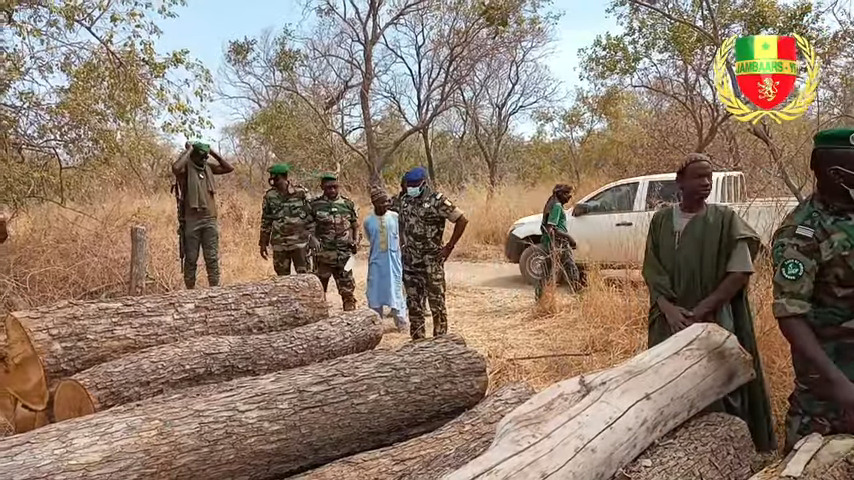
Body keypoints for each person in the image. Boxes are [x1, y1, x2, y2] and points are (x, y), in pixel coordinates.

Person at [642, 153, 776, 453]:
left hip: (714, 318)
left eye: (709, 177)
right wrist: (668, 309)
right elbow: (652, 268)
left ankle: (726, 449)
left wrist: (702, 311)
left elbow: (740, 271)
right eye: (698, 177)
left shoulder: (725, 219)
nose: (706, 183)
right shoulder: (662, 219)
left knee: (720, 386)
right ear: (680, 182)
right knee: (669, 383)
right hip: (669, 320)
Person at [772, 128, 854, 453]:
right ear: (837, 174)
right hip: (830, 386)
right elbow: (790, 314)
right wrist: (839, 386)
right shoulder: (803, 233)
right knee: (811, 461)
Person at [399, 166, 468, 340]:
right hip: (410, 263)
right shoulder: (405, 200)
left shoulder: (437, 201)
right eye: (409, 184)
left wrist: (449, 247)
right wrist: (402, 243)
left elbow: (462, 220)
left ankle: (440, 343)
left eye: (414, 184)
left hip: (432, 261)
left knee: (437, 304)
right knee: (414, 305)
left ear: (423, 183)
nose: (411, 187)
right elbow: (399, 220)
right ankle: (418, 342)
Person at [172, 141, 234, 289]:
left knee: (211, 258)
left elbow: (229, 168)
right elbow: (175, 168)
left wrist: (211, 151)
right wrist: (189, 150)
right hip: (192, 221)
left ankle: (215, 290)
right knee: (191, 259)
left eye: (205, 157)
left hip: (209, 220)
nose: (203, 160)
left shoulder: (208, 168)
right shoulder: (186, 169)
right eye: (200, 157)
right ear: (193, 156)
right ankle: (190, 292)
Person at [311, 173, 358, 310]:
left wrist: (355, 241)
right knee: (319, 290)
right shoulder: (315, 205)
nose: (332, 190)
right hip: (323, 256)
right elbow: (308, 227)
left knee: (348, 290)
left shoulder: (347, 204)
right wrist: (312, 240)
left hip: (344, 254)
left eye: (334, 187)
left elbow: (354, 226)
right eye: (328, 188)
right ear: (322, 187)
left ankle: (351, 319)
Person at [363, 187, 408, 333]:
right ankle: (376, 323)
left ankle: (400, 321)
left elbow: (401, 236)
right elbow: (371, 238)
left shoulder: (395, 217)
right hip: (376, 261)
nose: (385, 205)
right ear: (374, 203)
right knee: (375, 291)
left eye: (386, 202)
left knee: (395, 290)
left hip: (393, 260)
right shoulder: (368, 221)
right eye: (381, 203)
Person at [259, 164, 317, 275]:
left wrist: (312, 237)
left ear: (283, 177)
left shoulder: (301, 193)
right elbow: (266, 221)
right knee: (282, 279)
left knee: (305, 276)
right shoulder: (270, 196)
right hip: (279, 243)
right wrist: (263, 242)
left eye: (275, 177)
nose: (272, 180)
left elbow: (313, 216)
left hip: (300, 242)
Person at [536, 184, 580, 300]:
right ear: (560, 194)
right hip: (558, 243)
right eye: (567, 194)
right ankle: (579, 295)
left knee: (548, 271)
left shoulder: (552, 204)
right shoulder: (556, 206)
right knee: (570, 268)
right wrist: (569, 238)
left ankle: (540, 297)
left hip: (552, 242)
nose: (569, 197)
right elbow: (552, 228)